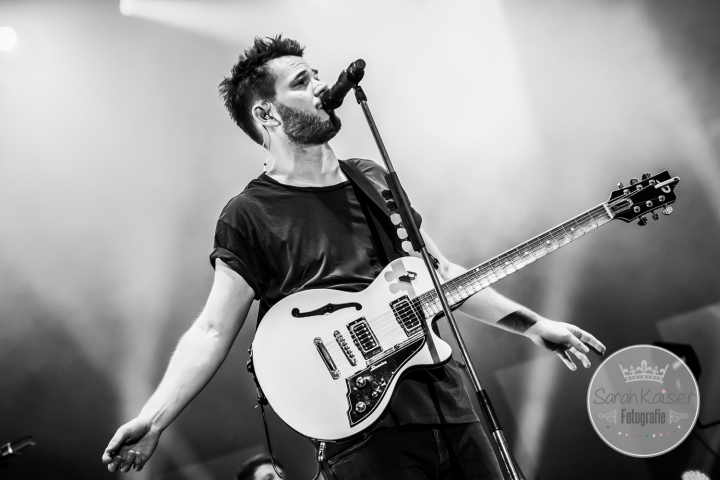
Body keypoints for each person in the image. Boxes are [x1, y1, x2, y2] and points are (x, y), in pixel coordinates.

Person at [101, 35, 606, 478]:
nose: (322, 87)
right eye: (302, 82)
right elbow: (213, 330)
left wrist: (534, 325)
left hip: (449, 403)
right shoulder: (249, 214)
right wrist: (154, 418)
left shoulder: (373, 179)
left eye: (317, 75)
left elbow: (442, 275)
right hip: (360, 428)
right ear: (267, 114)